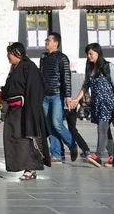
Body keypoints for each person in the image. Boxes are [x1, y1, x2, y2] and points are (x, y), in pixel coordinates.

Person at [0, 43, 51, 180]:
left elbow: (35, 89)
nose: (7, 56)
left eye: (9, 53)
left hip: (25, 109)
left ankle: (31, 169)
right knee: (13, 138)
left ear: (17, 53)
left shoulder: (29, 67)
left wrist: (31, 109)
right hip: (13, 110)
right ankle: (19, 165)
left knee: (26, 139)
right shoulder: (14, 68)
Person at [70, 43, 114, 168]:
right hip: (97, 104)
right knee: (106, 130)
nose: (89, 56)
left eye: (91, 54)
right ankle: (112, 155)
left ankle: (98, 155)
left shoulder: (108, 67)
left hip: (109, 104)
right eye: (87, 54)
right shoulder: (90, 68)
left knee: (102, 128)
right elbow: (86, 86)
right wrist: (76, 100)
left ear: (98, 53)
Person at [40, 32, 78, 164]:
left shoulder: (62, 58)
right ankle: (55, 154)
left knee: (57, 123)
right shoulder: (44, 57)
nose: (46, 42)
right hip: (45, 96)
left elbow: (66, 78)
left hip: (57, 95)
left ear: (55, 43)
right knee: (49, 125)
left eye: (48, 40)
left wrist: (68, 96)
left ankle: (72, 144)